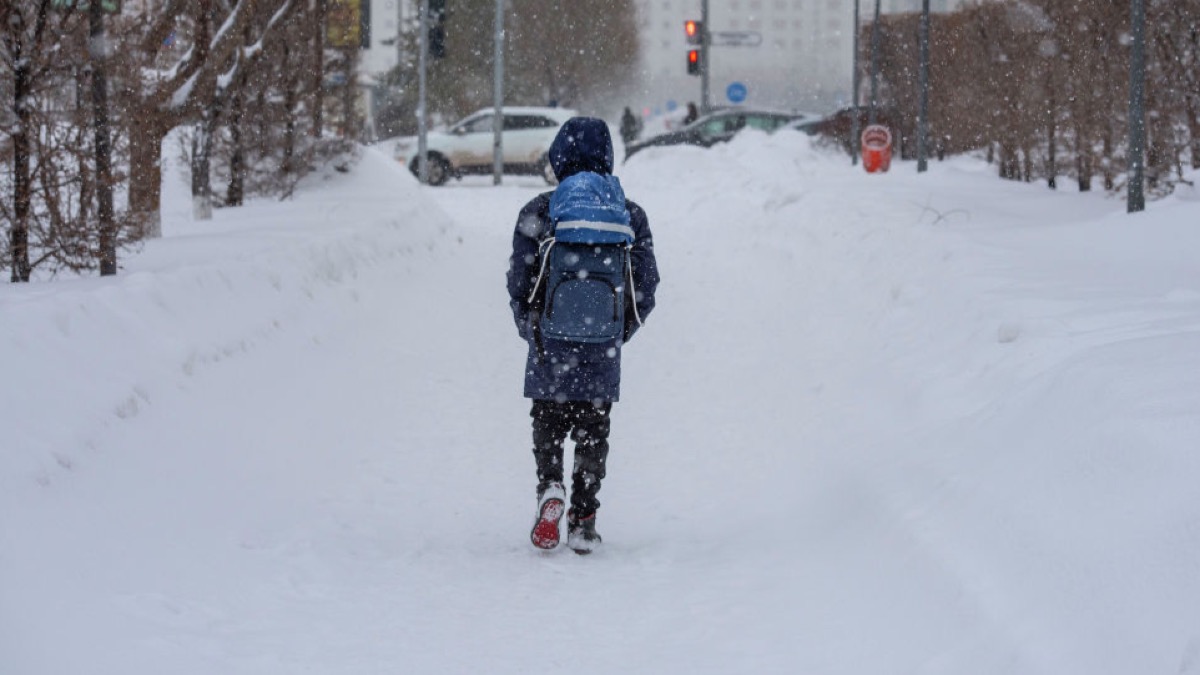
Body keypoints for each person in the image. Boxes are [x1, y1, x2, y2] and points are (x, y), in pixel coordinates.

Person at [506, 117, 660, 555]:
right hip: (602, 343)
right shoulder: (629, 215)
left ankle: (550, 487)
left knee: (549, 422)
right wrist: (618, 332)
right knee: (594, 429)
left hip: (549, 340)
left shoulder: (541, 210)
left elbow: (519, 277)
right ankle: (584, 520)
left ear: (559, 157)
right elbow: (646, 285)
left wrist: (530, 327)